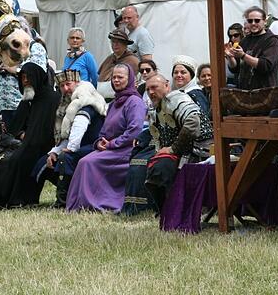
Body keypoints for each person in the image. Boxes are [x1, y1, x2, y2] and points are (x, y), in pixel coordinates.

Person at [0, 62, 60, 208]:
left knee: (19, 158)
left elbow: (45, 132)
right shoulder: (27, 100)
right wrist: (21, 134)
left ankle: (17, 200)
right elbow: (14, 127)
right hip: (23, 143)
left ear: (38, 77)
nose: (25, 81)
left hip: (42, 147)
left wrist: (26, 139)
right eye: (23, 77)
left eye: (29, 77)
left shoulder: (51, 99)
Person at [66, 64, 147, 213]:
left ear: (129, 80)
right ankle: (78, 204)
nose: (116, 80)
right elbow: (104, 130)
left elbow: (134, 131)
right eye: (114, 77)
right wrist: (99, 142)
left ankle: (91, 204)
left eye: (120, 77)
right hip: (110, 148)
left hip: (126, 150)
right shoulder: (114, 103)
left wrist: (113, 144)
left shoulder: (135, 102)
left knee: (88, 162)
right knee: (83, 161)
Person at [40, 70, 107, 208]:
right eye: (62, 86)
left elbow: (79, 125)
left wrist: (71, 148)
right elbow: (67, 136)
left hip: (94, 146)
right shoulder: (68, 104)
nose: (65, 89)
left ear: (77, 83)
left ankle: (63, 201)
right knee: (43, 162)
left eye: (68, 84)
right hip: (80, 146)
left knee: (65, 158)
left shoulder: (86, 101)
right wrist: (54, 151)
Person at [143, 74, 201, 211]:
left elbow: (193, 122)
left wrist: (173, 149)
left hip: (198, 150)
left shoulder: (176, 98)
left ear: (167, 85)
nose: (151, 92)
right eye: (147, 89)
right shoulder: (155, 107)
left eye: (154, 87)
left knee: (161, 167)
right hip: (179, 152)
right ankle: (166, 211)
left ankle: (173, 210)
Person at [225, 7, 278, 90]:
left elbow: (266, 65)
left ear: (264, 22)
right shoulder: (245, 41)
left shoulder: (272, 40)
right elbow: (235, 69)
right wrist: (230, 57)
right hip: (245, 93)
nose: (253, 23)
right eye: (250, 21)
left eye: (257, 20)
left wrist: (243, 56)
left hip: (265, 93)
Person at [170, 56, 213, 157]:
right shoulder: (178, 94)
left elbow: (199, 123)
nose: (179, 75)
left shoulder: (195, 94)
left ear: (191, 75)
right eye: (176, 72)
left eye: (183, 72)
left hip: (194, 146)